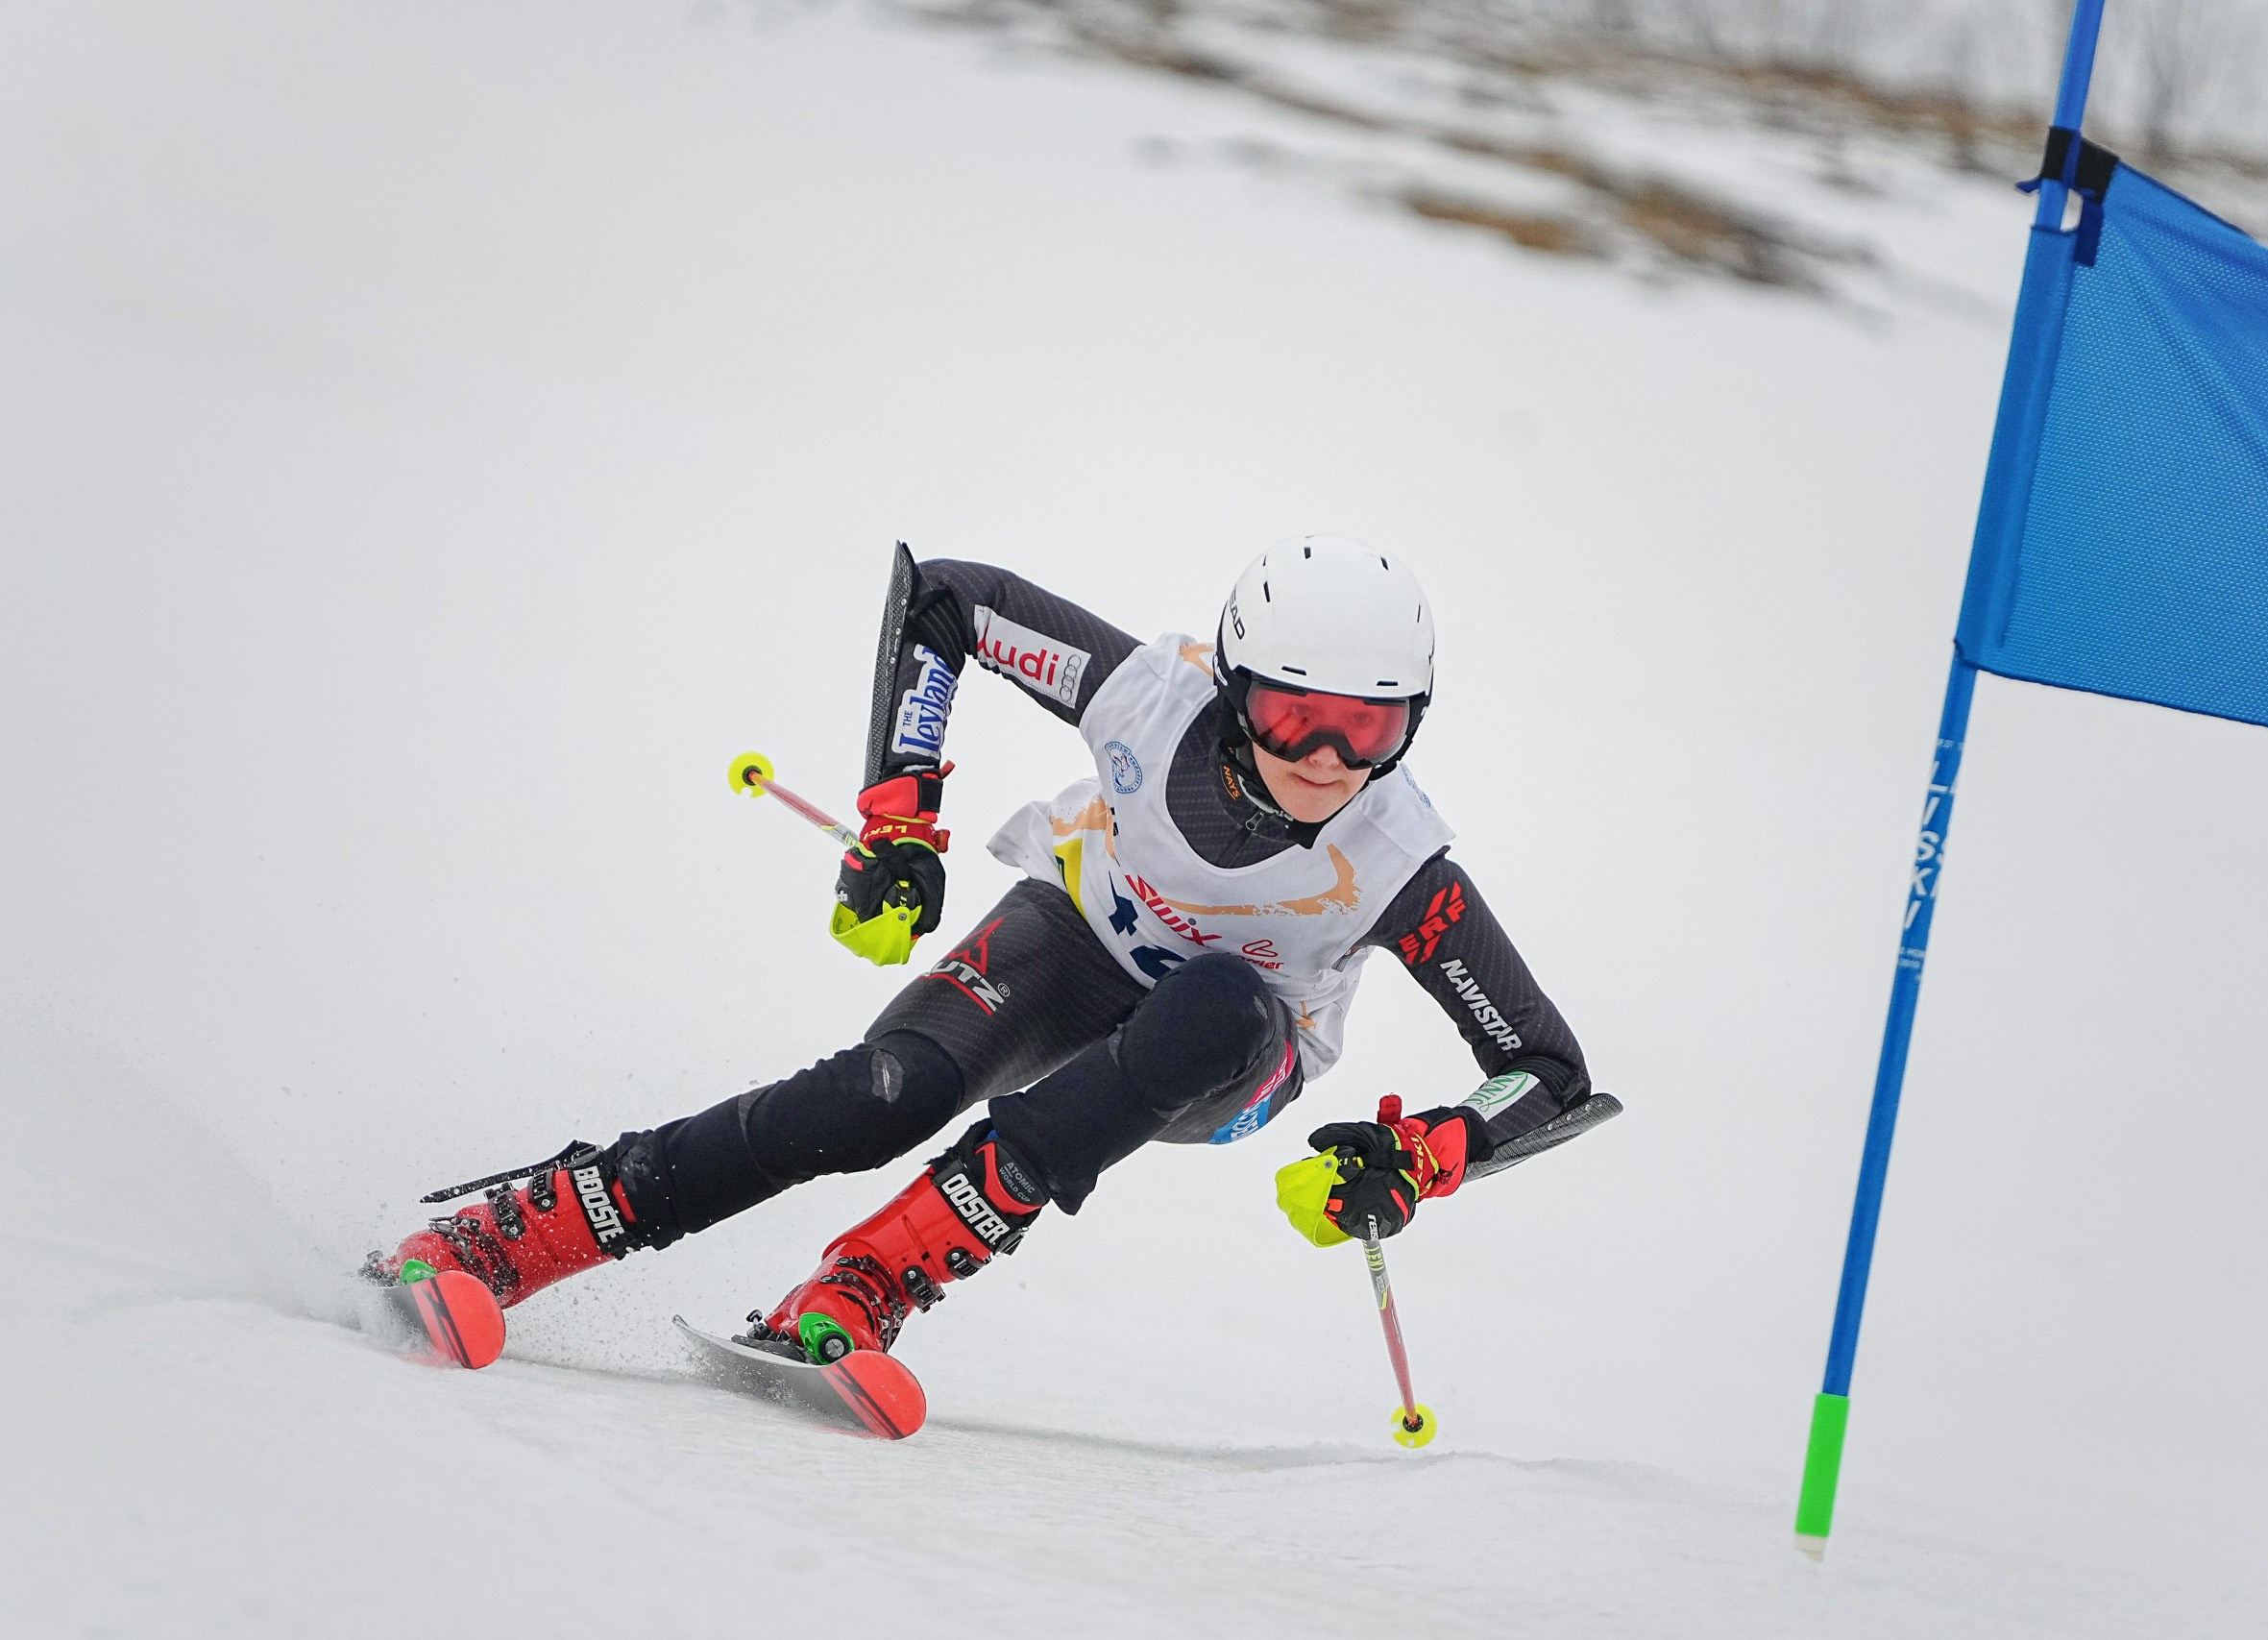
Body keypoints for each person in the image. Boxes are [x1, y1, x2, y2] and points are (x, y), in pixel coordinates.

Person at [371, 536, 1592, 1366]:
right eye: (1291, 715)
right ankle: (525, 1233)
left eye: (1370, 728)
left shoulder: (1396, 864)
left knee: (1218, 1000)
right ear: (1232, 688)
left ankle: (870, 1284)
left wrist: (1423, 1157)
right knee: (880, 1098)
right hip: (1064, 946)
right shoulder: (1141, 695)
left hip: (1233, 1057)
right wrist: (899, 816)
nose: (1327, 758)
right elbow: (947, 600)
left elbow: (1542, 1066)